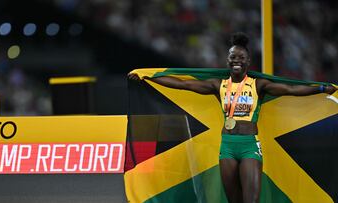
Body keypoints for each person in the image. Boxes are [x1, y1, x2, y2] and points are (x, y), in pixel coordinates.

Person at [128, 32, 337, 203]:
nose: (236, 61)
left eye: (241, 58)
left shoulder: (258, 85)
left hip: (249, 146)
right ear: (227, 61)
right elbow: (183, 84)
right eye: (233, 57)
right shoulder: (218, 85)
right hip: (227, 146)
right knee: (233, 200)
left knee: (250, 200)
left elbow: (291, 89)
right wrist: (149, 77)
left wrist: (320, 88)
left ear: (248, 62)